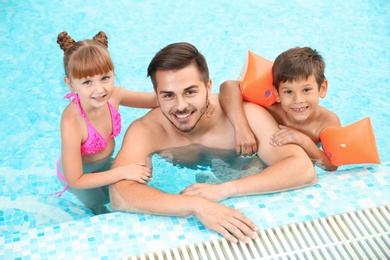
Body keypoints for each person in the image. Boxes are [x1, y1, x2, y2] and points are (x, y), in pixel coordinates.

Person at [109, 42, 316, 243]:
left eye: (190, 92)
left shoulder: (245, 116)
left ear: (208, 87)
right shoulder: (147, 131)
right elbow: (120, 195)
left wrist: (224, 189)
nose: (181, 106)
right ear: (156, 95)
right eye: (169, 95)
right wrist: (195, 205)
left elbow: (303, 169)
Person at [53, 31, 158, 214]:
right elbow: (75, 179)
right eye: (87, 82)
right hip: (79, 177)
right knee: (99, 204)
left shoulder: (115, 96)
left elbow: (155, 100)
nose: (99, 89)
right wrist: (122, 171)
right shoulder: (72, 121)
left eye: (105, 78)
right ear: (70, 84)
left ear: (112, 73)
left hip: (103, 164)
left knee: (134, 187)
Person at [219, 47, 340, 171]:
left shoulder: (327, 122)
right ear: (277, 93)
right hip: (259, 158)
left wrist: (304, 141)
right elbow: (228, 86)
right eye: (288, 91)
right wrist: (242, 129)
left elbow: (331, 166)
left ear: (322, 88)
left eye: (306, 90)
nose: (298, 100)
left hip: (294, 167)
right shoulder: (271, 111)